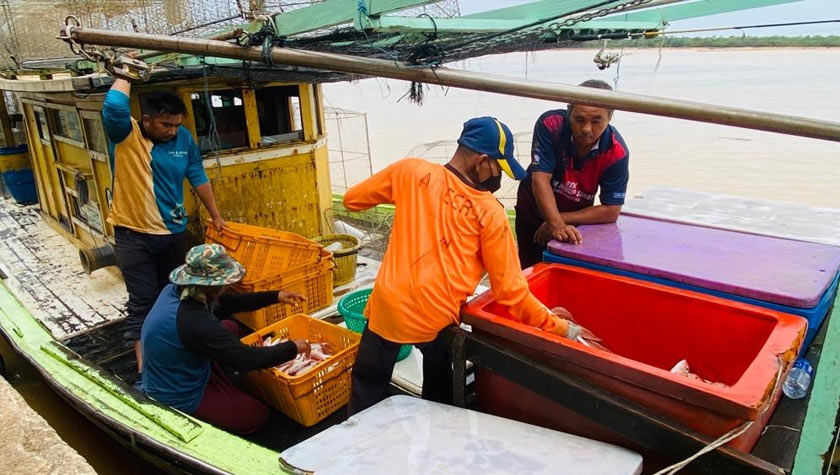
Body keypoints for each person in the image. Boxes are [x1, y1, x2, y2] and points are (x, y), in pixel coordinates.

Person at [344, 116, 583, 416]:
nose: (498, 180)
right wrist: (559, 327)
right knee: (441, 395)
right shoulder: (490, 214)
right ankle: (439, 435)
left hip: (388, 306)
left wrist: (407, 196)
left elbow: (352, 200)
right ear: (482, 160)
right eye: (499, 169)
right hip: (435, 318)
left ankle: (356, 445)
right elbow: (510, 292)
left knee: (366, 387)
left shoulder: (411, 172)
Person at [102, 78, 227, 374]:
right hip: (134, 235)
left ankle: (173, 348)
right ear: (147, 120)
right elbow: (113, 107)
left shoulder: (183, 138)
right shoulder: (125, 134)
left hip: (173, 233)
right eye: (165, 125)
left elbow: (196, 174)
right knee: (143, 301)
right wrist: (125, 74)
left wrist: (216, 215)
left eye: (176, 124)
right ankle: (146, 368)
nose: (172, 131)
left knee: (174, 292)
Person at [139, 243, 309, 434]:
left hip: (177, 363)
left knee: (230, 327)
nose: (229, 285)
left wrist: (276, 296)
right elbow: (246, 359)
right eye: (225, 282)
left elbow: (230, 303)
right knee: (256, 415)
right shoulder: (193, 320)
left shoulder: (178, 291)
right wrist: (293, 348)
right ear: (209, 285)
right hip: (177, 391)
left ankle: (217, 378)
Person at [515, 79, 630, 269]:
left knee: (565, 267)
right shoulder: (551, 124)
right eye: (579, 119)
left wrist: (560, 221)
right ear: (569, 111)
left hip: (574, 216)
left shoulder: (616, 152)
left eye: (596, 121)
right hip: (532, 209)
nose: (586, 129)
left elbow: (611, 210)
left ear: (610, 117)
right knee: (529, 267)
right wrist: (555, 223)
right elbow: (540, 179)